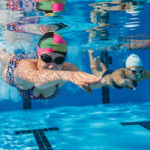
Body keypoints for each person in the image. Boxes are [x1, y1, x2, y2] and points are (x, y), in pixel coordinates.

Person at [0, 32, 103, 101]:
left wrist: (99, 81)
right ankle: (3, 54)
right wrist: (70, 76)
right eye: (47, 59)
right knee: (5, 58)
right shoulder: (25, 66)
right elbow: (37, 79)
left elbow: (85, 78)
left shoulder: (69, 69)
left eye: (59, 60)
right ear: (38, 55)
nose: (52, 66)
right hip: (13, 69)